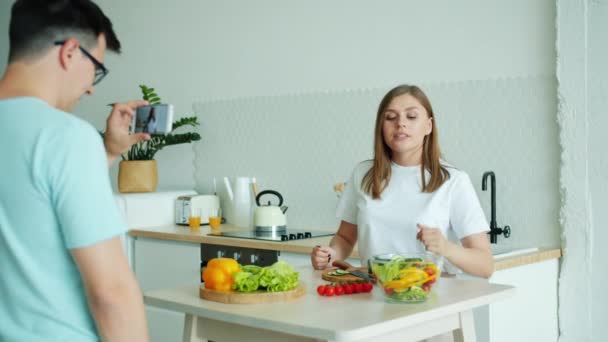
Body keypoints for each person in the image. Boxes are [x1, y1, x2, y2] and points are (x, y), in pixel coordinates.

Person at [0, 0, 151, 340]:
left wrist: (108, 152)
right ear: (70, 52)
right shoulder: (65, 136)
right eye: (96, 68)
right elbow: (110, 293)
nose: (91, 87)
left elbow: (28, 203)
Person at [311, 84, 494, 279]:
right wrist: (332, 254)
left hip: (433, 298)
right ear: (381, 126)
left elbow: (485, 265)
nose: (401, 123)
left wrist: (445, 247)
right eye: (391, 117)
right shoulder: (363, 174)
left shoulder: (453, 180)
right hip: (374, 296)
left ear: (429, 126)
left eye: (412, 116)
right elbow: (345, 238)